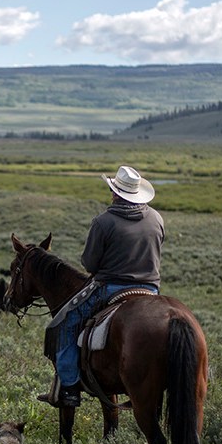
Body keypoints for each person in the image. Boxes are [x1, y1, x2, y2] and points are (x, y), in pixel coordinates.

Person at [42, 165, 165, 407]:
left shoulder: (103, 222)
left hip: (110, 288)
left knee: (64, 324)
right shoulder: (156, 218)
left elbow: (89, 264)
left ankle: (69, 387)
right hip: (150, 290)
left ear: (115, 193)